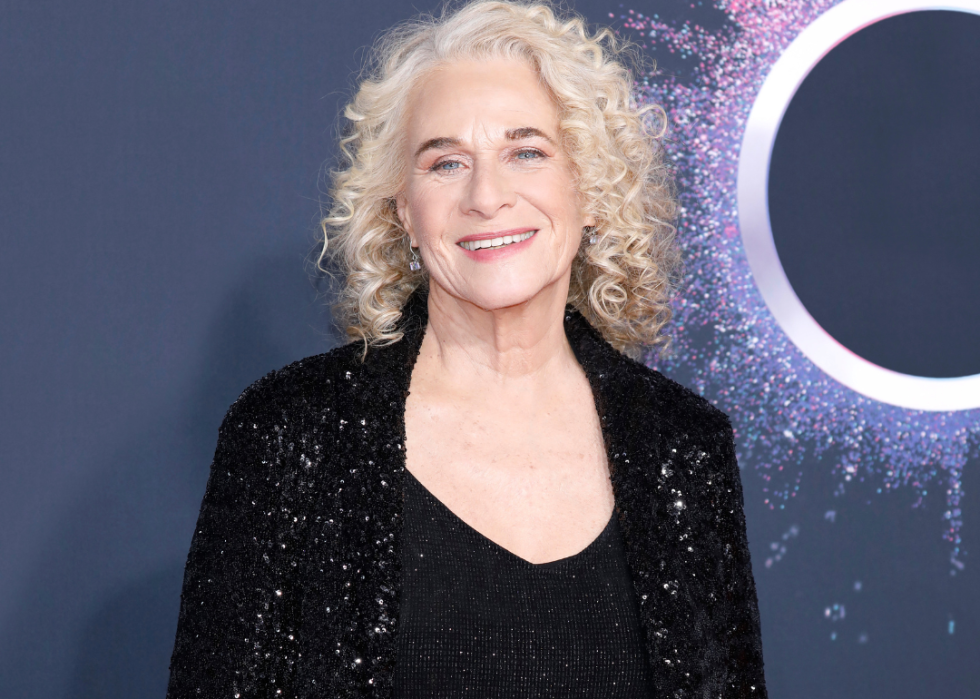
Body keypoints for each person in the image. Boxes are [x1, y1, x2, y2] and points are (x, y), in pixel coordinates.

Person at [166, 2, 767, 697]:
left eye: (527, 152)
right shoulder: (291, 432)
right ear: (402, 210)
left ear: (591, 188)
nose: (487, 196)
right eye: (446, 163)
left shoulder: (683, 446)